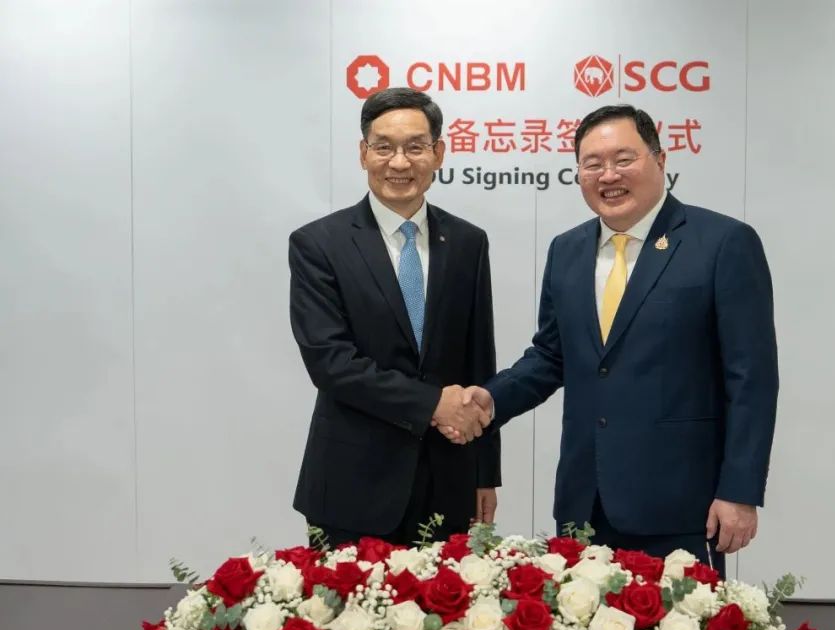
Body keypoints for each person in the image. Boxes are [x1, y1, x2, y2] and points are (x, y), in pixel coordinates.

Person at [447, 104, 777, 574]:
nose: (608, 175)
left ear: (660, 160)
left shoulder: (723, 243)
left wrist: (739, 491)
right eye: (593, 164)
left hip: (683, 504)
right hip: (585, 502)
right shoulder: (567, 249)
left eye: (624, 159)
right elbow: (550, 356)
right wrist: (490, 399)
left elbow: (752, 379)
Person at [289, 87, 498, 549]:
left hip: (449, 480)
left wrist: (485, 472)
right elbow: (330, 362)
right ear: (363, 153)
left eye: (415, 147)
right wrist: (431, 403)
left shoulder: (468, 242)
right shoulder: (319, 244)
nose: (399, 162)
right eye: (383, 147)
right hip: (351, 484)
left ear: (438, 153)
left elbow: (479, 362)